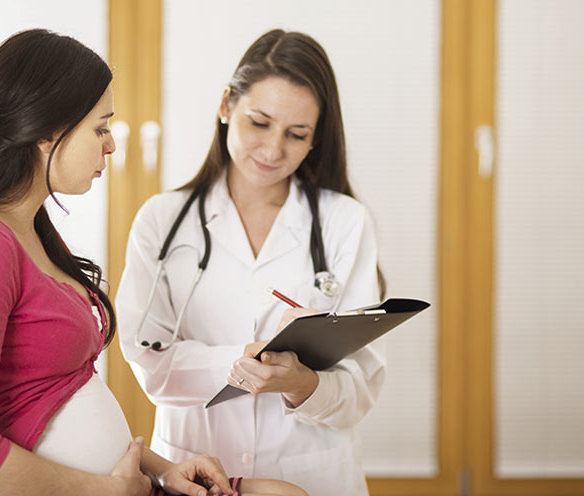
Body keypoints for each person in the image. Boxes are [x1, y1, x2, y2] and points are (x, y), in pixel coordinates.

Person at [0, 29, 306, 496]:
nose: (111, 145)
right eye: (101, 127)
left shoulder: (31, 233)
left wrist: (163, 469)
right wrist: (106, 490)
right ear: (47, 131)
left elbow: (57, 394)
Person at [115, 29, 387, 496]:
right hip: (196, 472)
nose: (273, 149)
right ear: (226, 106)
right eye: (259, 123)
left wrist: (304, 385)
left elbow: (361, 387)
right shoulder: (162, 221)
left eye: (296, 134)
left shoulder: (346, 223)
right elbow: (148, 360)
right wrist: (242, 362)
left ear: (316, 137)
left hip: (314, 474)